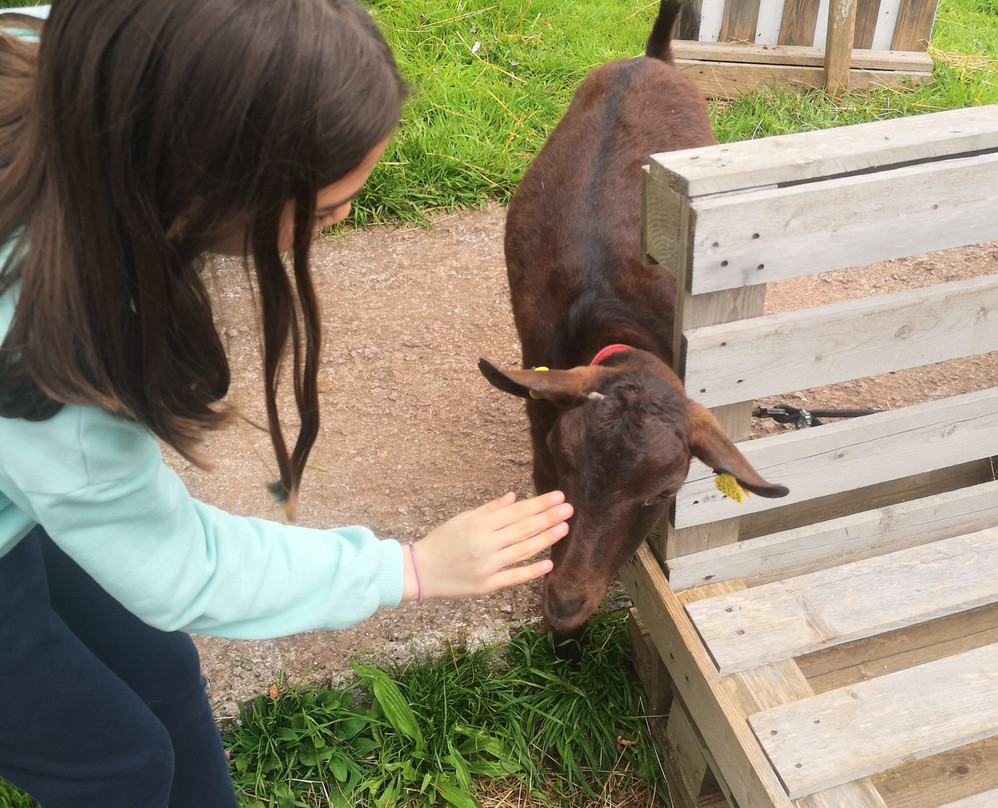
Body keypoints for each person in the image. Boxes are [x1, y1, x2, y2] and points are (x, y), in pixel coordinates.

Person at [0, 2, 572, 806]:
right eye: (330, 210)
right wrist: (405, 569)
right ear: (200, 187)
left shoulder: (70, 53)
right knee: (118, 763)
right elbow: (176, 566)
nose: (344, 222)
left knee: (164, 675)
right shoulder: (52, 344)